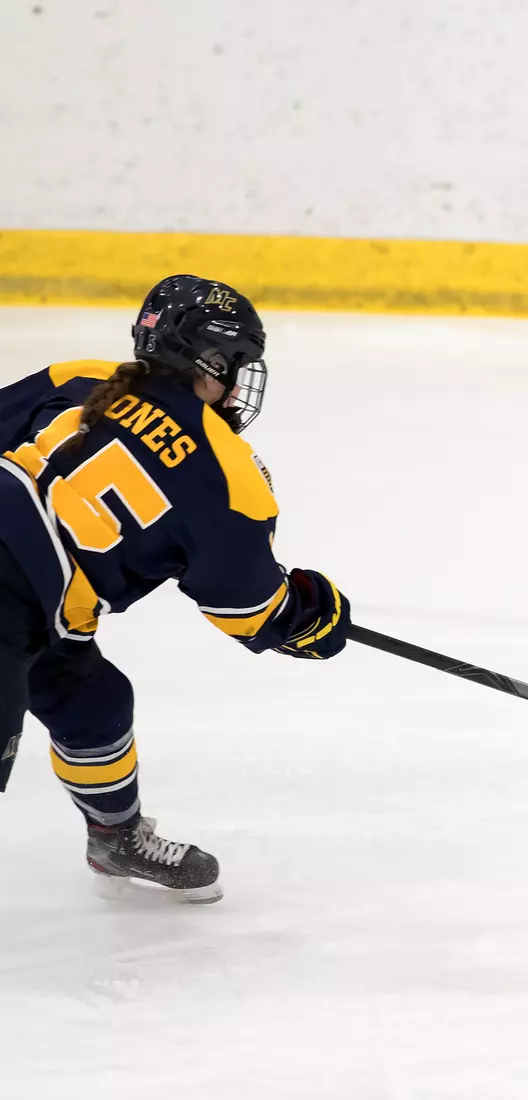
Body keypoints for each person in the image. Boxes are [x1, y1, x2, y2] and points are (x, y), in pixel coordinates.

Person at [0, 274, 350, 903]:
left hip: (35, 606)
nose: (238, 382)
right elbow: (249, 609)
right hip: (8, 599)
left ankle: (116, 837)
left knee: (92, 700)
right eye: (236, 364)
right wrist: (311, 617)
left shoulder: (81, 378)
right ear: (209, 360)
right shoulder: (225, 467)